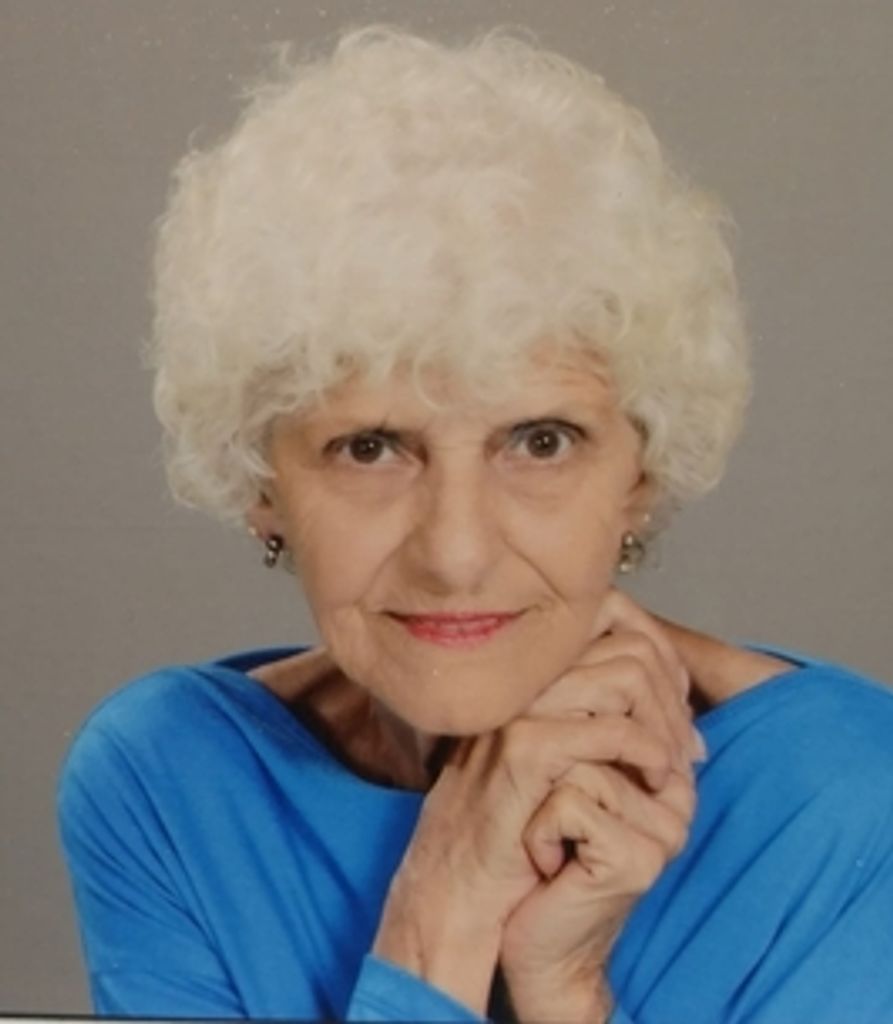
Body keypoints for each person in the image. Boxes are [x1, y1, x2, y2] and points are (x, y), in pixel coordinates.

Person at [57, 25, 893, 1024]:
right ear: (259, 484)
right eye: (370, 447)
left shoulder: (845, 800)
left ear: (639, 474)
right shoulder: (170, 781)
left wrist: (564, 991)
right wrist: (443, 903)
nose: (455, 554)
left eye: (539, 441)